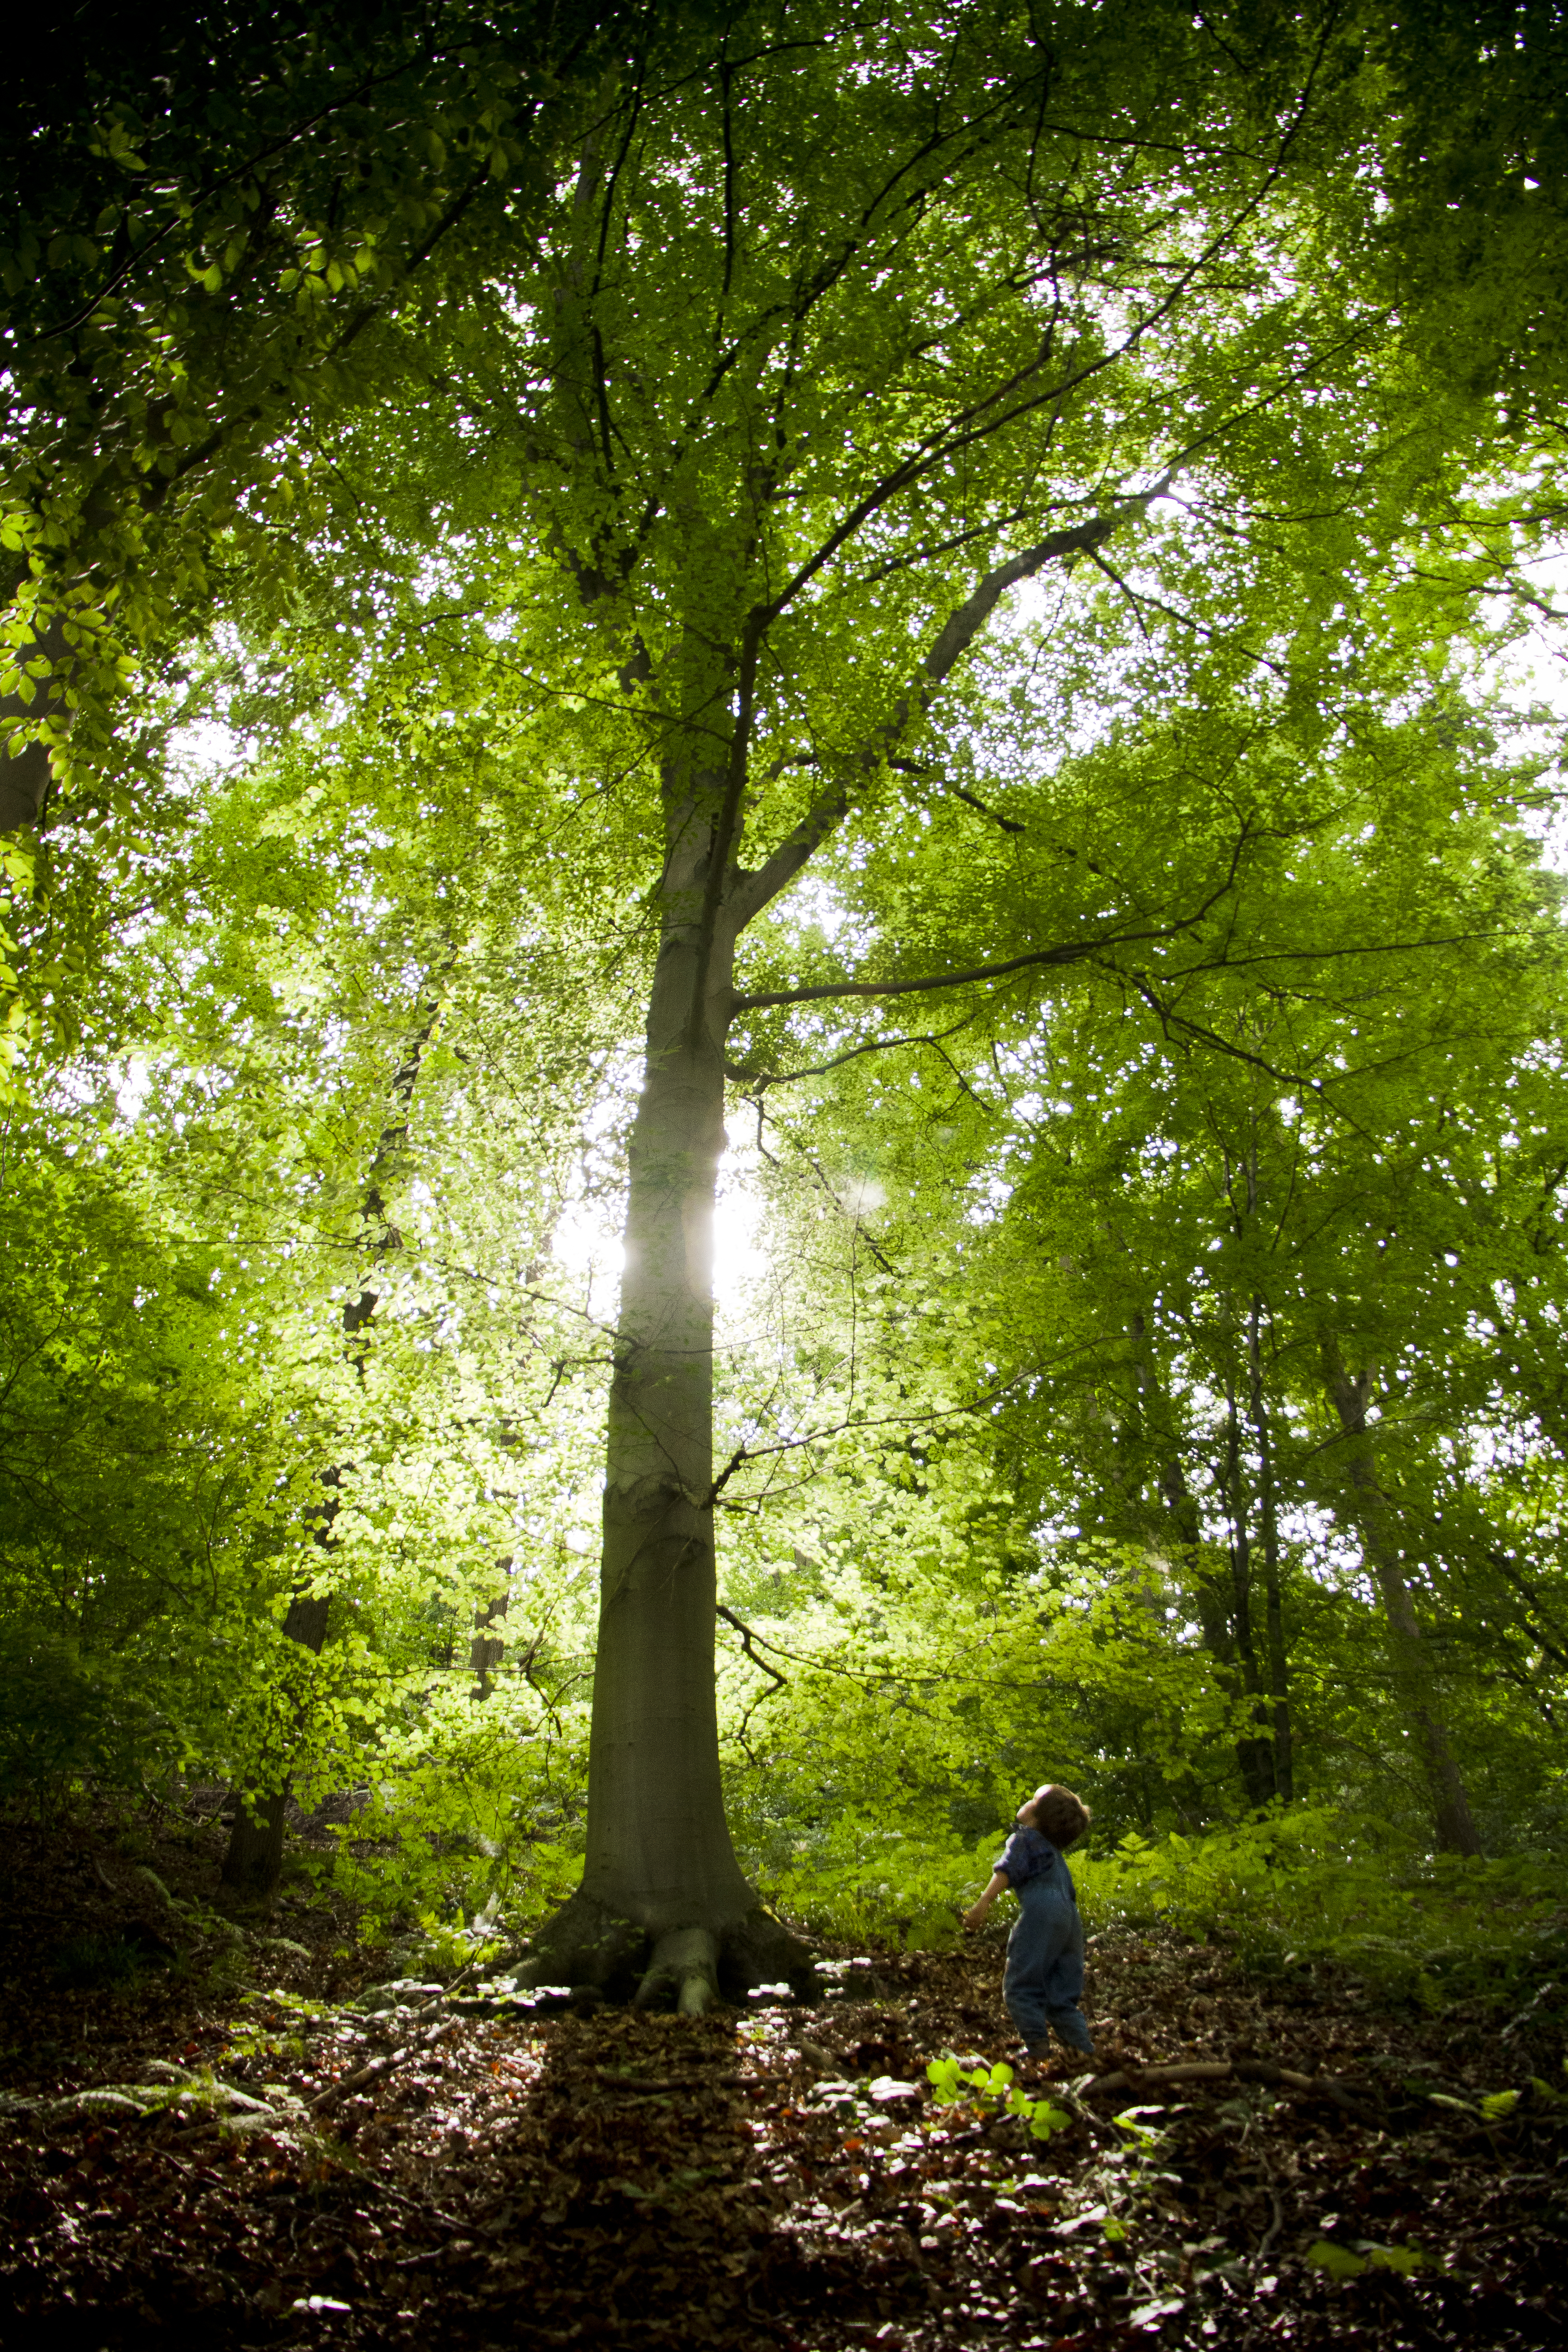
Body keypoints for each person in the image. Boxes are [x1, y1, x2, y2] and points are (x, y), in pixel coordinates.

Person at [962, 1782, 1094, 2061]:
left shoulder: (1025, 1839)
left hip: (1042, 1914)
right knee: (1062, 1994)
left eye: (1033, 1799)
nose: (1027, 1801)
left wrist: (983, 1903)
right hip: (1070, 1919)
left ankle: (1037, 2047)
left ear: (1039, 1815)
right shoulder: (1054, 1854)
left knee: (1021, 1985)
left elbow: (1007, 1870)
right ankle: (1084, 2050)